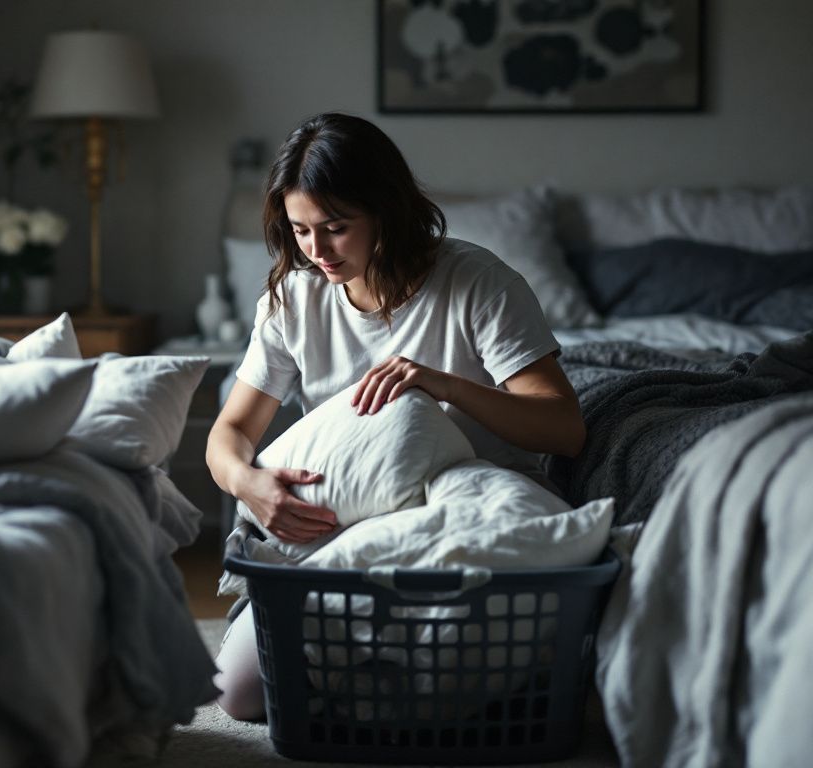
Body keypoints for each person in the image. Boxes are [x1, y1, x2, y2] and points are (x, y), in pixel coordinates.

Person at [204, 112, 587, 720]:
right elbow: (228, 434)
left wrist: (441, 385)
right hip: (354, 514)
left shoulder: (477, 281)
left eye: (335, 228)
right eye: (300, 231)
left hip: (469, 512)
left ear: (386, 210)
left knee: (467, 684)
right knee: (239, 696)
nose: (317, 251)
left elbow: (562, 427)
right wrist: (249, 484)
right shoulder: (293, 299)